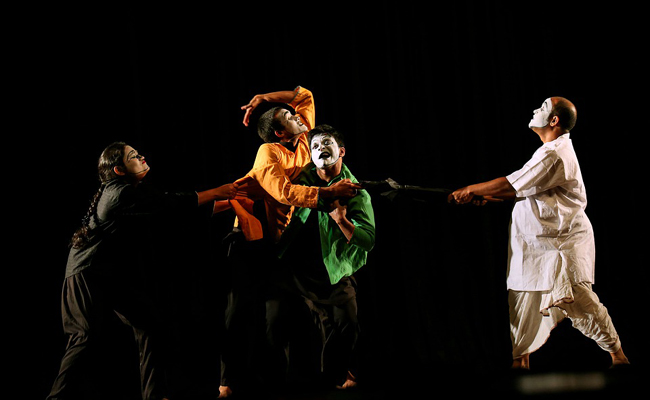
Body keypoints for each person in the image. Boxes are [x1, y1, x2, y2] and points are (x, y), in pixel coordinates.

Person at [448, 97, 630, 370]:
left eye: (543, 107)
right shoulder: (548, 151)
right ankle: (520, 362)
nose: (536, 110)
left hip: (560, 245)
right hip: (535, 244)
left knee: (579, 301)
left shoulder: (555, 154)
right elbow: (525, 189)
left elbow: (512, 184)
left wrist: (471, 189)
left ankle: (619, 357)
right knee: (522, 299)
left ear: (554, 120)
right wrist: (486, 197)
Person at [47, 142, 237, 400]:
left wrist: (229, 203)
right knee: (84, 336)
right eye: (134, 156)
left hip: (108, 275)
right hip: (86, 272)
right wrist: (216, 192)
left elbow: (171, 214)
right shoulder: (119, 193)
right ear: (119, 170)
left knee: (149, 324)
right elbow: (169, 203)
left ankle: (154, 395)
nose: (142, 157)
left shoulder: (131, 193)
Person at [217, 87, 360, 398]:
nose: (298, 117)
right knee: (239, 309)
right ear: (280, 133)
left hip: (281, 240)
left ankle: (332, 370)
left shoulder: (305, 138)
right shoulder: (268, 152)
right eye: (289, 117)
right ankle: (228, 381)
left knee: (303, 307)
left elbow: (304, 97)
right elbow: (282, 192)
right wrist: (327, 193)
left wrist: (263, 98)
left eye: (295, 115)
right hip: (249, 237)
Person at [268, 124, 375, 390]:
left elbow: (368, 240)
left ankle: (333, 379)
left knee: (347, 323)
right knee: (277, 321)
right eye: (314, 146)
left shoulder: (356, 191)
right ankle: (281, 382)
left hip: (333, 271)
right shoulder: (299, 181)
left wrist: (341, 220)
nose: (320, 149)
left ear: (341, 151)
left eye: (327, 143)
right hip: (294, 269)